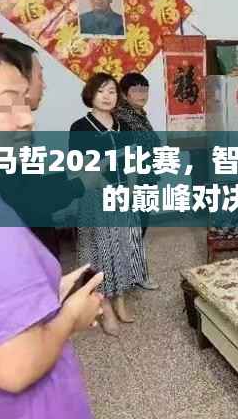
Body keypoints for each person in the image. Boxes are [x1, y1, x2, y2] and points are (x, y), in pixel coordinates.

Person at [0, 33, 103, 418]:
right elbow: (15, 368)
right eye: (7, 104)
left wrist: (45, 292)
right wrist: (70, 317)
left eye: (24, 100)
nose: (27, 117)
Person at [0, 38, 99, 259]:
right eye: (39, 76)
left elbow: (28, 184)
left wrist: (71, 175)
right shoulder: (2, 130)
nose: (44, 85)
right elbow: (23, 199)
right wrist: (80, 184)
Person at [70, 72, 148, 337]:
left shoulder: (123, 125)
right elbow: (81, 166)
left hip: (123, 195)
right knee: (101, 253)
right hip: (96, 198)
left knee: (124, 249)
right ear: (90, 95)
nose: (107, 96)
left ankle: (121, 299)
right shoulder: (80, 127)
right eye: (101, 91)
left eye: (112, 91)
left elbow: (132, 162)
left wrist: (132, 189)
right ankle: (104, 306)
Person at [117, 72, 160, 290]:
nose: (142, 94)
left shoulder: (139, 114)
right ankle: (134, 275)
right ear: (125, 94)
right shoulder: (122, 118)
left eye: (145, 89)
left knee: (138, 228)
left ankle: (131, 274)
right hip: (133, 182)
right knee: (133, 229)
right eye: (136, 90)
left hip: (147, 178)